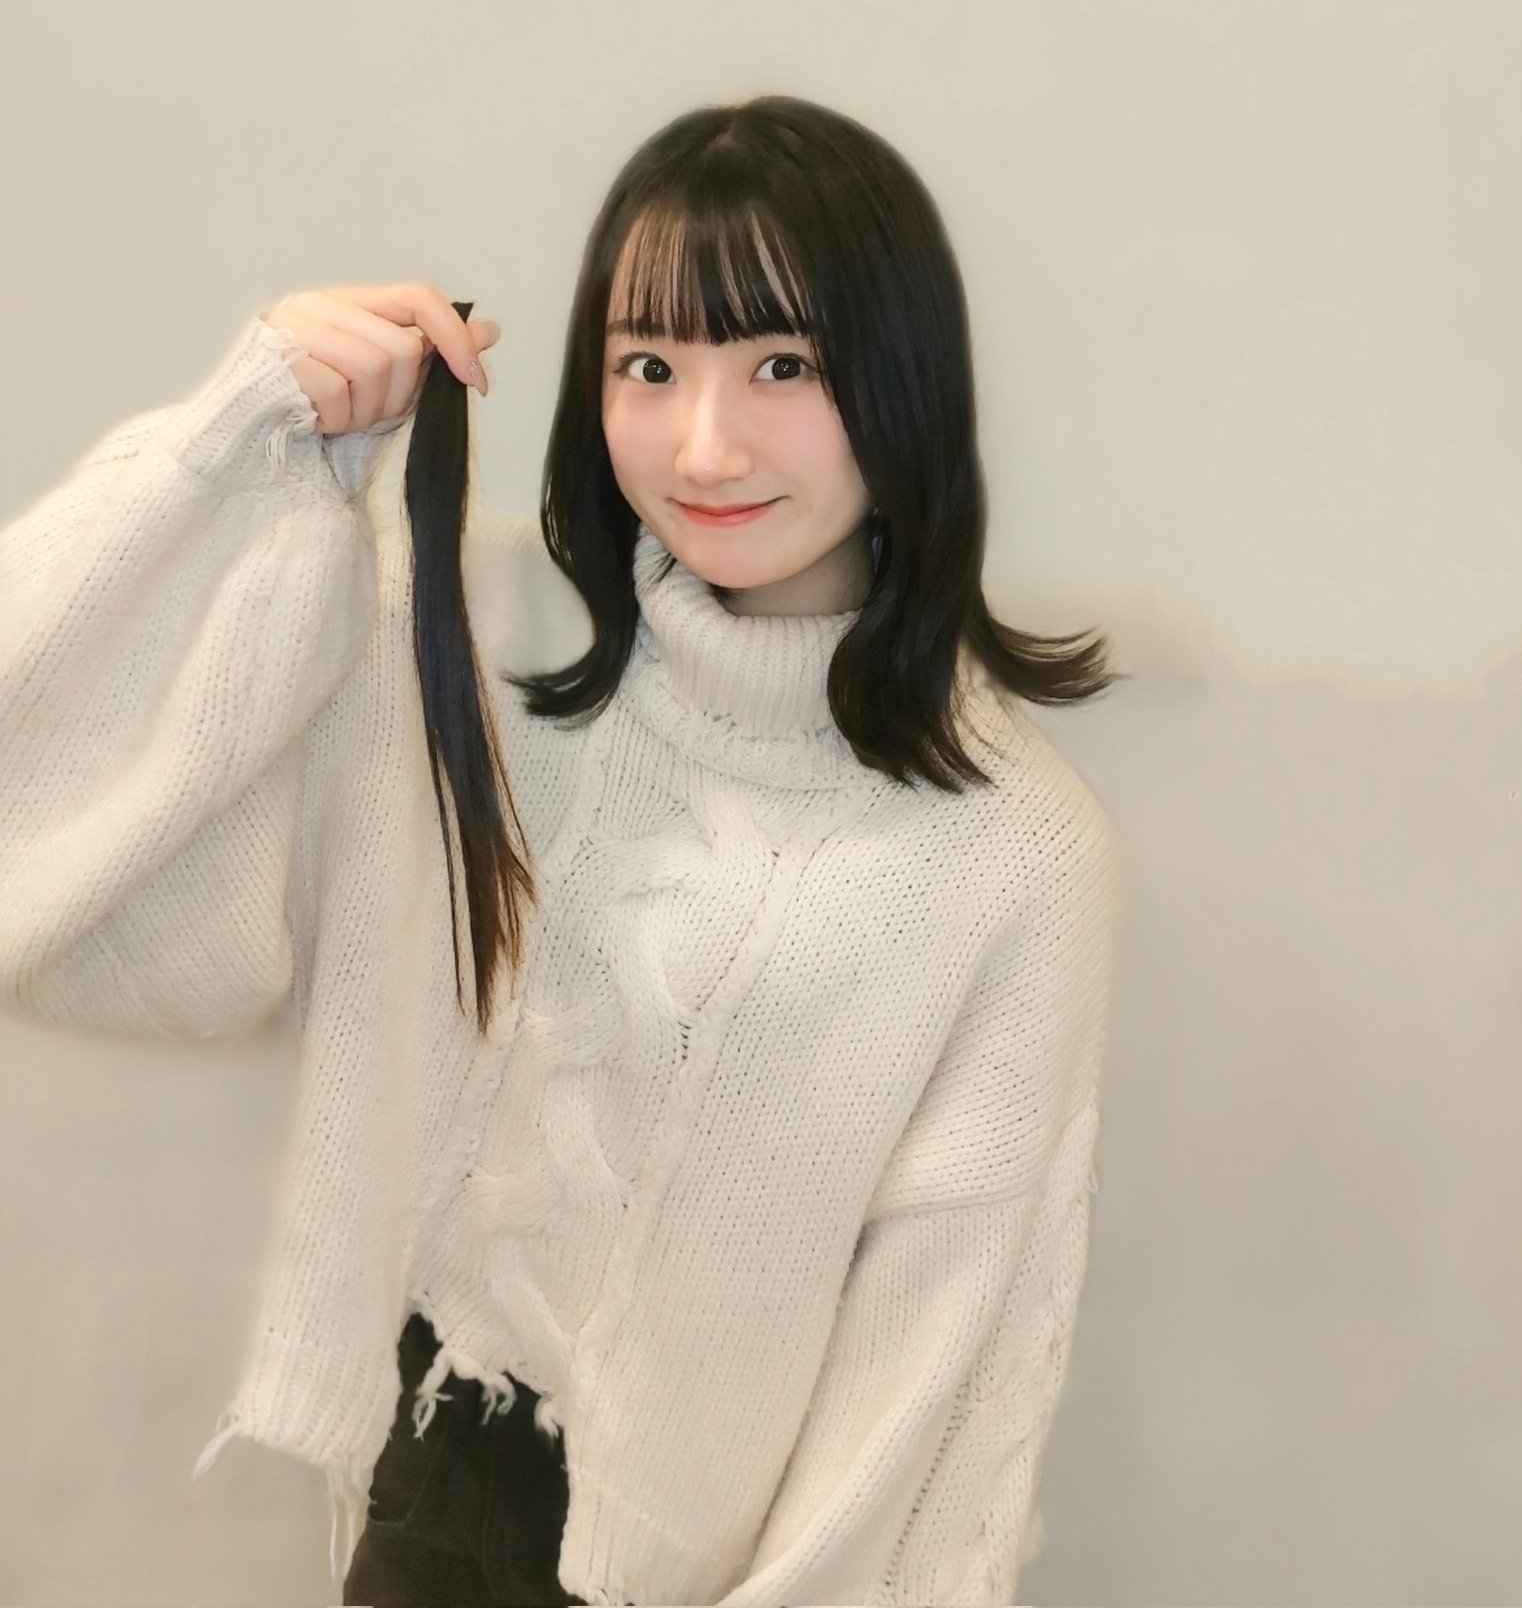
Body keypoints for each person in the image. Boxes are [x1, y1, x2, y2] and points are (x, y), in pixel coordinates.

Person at [0, 95, 1126, 1607]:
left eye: (784, 366)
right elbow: (52, 834)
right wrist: (233, 444)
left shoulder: (1013, 853)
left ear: (904, 378)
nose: (705, 444)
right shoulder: (473, 646)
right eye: (648, 366)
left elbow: (928, 1389)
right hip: (425, 1497)